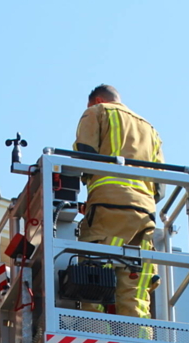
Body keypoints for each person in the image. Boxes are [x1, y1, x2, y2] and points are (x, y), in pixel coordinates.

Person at [73, 84, 164, 319]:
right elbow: (160, 188)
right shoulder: (150, 129)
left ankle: (93, 334)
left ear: (96, 100)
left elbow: (85, 153)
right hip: (145, 213)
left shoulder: (97, 111)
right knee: (135, 284)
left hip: (108, 204)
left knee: (94, 272)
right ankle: (138, 341)